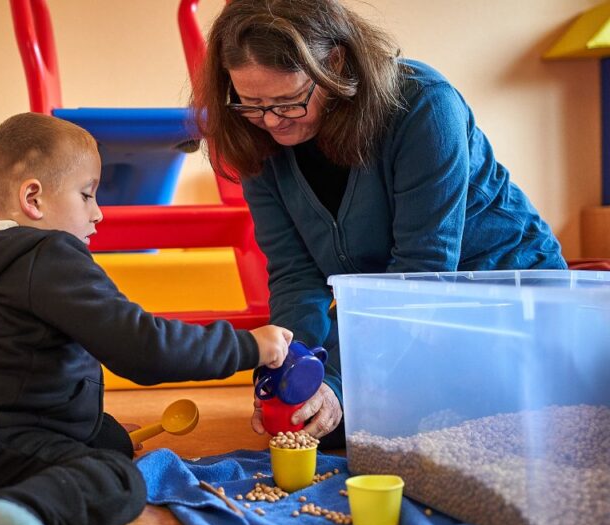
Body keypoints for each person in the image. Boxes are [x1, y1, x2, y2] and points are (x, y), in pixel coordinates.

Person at [0, 112, 294, 525]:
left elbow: (10, 370)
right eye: (87, 194)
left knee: (109, 437)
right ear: (33, 198)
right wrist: (248, 346)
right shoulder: (47, 255)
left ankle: (31, 488)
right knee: (118, 480)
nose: (99, 211)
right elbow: (141, 347)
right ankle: (25, 517)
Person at [193, 0, 567, 446]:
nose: (271, 120)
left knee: (472, 431)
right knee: (329, 428)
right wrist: (290, 370)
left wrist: (335, 380)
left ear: (333, 62)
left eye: (288, 102)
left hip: (498, 302)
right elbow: (296, 274)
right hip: (401, 312)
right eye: (250, 104)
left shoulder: (424, 105)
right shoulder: (255, 138)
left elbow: (421, 270)